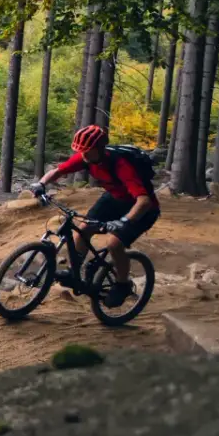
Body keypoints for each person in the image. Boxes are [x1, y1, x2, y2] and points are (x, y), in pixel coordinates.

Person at [29, 124, 160, 307]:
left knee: (113, 244)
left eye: (87, 151)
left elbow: (144, 201)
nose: (82, 155)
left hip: (142, 209)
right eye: (80, 151)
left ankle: (122, 284)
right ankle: (75, 273)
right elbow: (58, 171)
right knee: (83, 228)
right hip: (114, 199)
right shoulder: (86, 157)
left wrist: (124, 221)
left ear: (99, 148)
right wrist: (41, 184)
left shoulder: (121, 165)